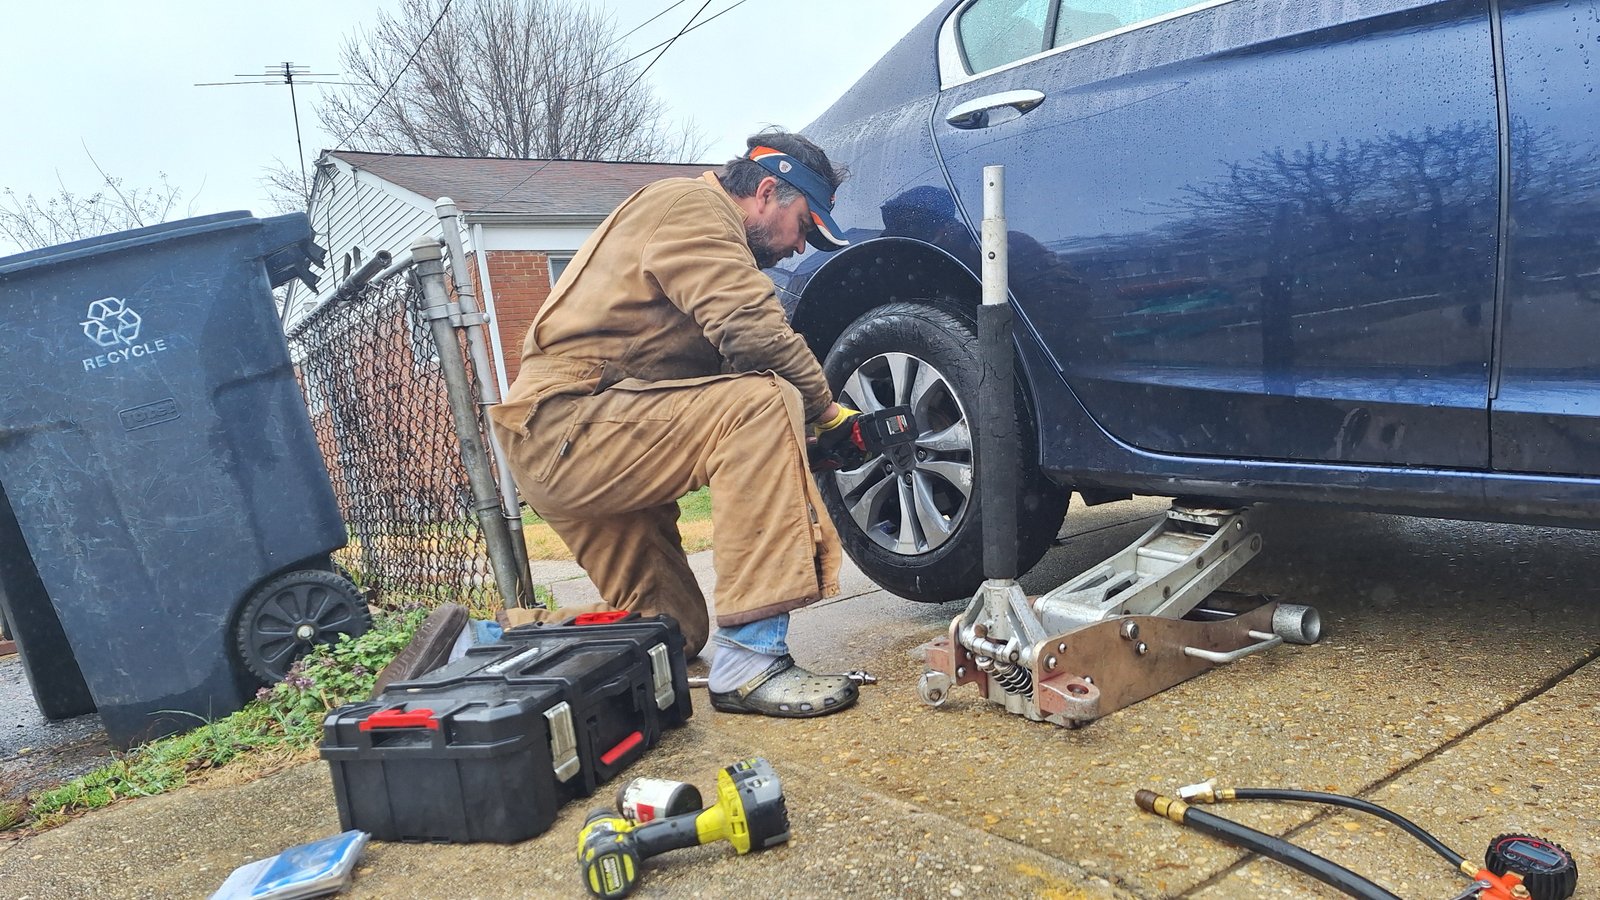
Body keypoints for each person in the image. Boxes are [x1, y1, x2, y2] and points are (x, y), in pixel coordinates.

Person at [471, 130, 860, 719]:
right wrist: (826, 412)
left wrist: (805, 441)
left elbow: (720, 376)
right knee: (763, 402)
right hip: (569, 424)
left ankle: (484, 642)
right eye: (804, 225)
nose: (800, 248)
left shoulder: (699, 237)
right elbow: (752, 333)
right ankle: (754, 664)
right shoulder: (691, 207)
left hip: (580, 438)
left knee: (669, 632)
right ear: (766, 192)